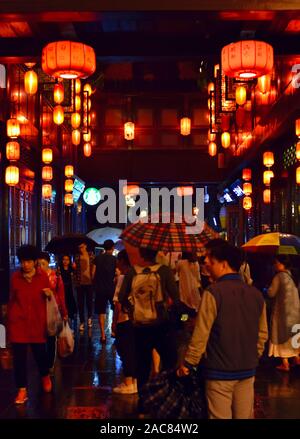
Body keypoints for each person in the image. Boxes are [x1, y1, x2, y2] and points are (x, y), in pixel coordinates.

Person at [177, 239, 268, 419]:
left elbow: (201, 334)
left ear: (224, 264)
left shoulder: (213, 293)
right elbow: (262, 333)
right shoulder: (256, 294)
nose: (206, 264)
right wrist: (253, 356)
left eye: (211, 260)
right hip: (247, 370)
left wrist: (189, 363)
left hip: (219, 372)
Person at [119, 247, 180, 405]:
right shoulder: (164, 271)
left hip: (140, 326)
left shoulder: (133, 272)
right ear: (156, 253)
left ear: (141, 254)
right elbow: (176, 297)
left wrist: (131, 311)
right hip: (161, 324)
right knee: (169, 359)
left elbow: (121, 296)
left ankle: (143, 401)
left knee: (142, 364)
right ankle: (165, 394)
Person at [7, 245, 53, 404]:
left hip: (37, 323)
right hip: (18, 323)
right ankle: (22, 390)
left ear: (34, 262)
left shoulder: (43, 277)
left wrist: (49, 295)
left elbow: (51, 299)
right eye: (22, 262)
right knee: (19, 359)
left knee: (40, 355)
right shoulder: (15, 278)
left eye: (28, 261)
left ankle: (45, 375)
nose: (25, 265)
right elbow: (11, 300)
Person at [268, 255, 300, 371]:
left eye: (276, 263)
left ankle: (285, 363)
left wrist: (267, 289)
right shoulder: (293, 276)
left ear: (282, 264)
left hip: (283, 313)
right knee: (294, 335)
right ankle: (296, 357)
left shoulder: (279, 276)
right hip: (295, 312)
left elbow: (271, 293)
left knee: (281, 335)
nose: (275, 265)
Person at [112, 250, 137, 394]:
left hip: (124, 318)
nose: (116, 262)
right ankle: (134, 382)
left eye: (118, 260)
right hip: (136, 318)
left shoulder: (123, 278)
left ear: (122, 261)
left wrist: (114, 322)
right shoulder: (136, 275)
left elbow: (118, 303)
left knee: (124, 350)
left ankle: (128, 383)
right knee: (133, 350)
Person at [38, 252, 68, 371]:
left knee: (51, 338)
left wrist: (64, 313)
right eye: (38, 264)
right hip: (39, 312)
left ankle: (50, 364)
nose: (40, 266)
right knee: (40, 339)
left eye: (43, 263)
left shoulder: (56, 277)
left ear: (48, 263)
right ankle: (43, 362)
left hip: (53, 311)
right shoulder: (36, 278)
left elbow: (61, 296)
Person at [94, 239, 117, 342]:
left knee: (101, 311)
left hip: (99, 288)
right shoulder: (114, 259)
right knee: (114, 309)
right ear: (112, 248)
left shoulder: (97, 258)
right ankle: (113, 330)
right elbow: (118, 273)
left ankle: (103, 335)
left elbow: (92, 274)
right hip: (111, 288)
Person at [74, 242, 95, 331]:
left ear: (86, 246)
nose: (81, 249)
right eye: (79, 247)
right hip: (80, 283)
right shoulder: (77, 256)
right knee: (80, 303)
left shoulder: (91, 255)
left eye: (82, 247)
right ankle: (82, 321)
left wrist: (93, 275)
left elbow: (94, 265)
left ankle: (90, 318)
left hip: (89, 282)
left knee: (89, 302)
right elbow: (75, 269)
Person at [58, 254, 77, 325]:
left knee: (70, 301)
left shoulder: (71, 268)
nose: (65, 261)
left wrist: (75, 269)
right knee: (63, 301)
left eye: (67, 260)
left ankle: (70, 315)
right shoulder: (60, 268)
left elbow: (75, 277)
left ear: (69, 261)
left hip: (69, 287)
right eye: (64, 259)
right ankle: (64, 315)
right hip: (62, 287)